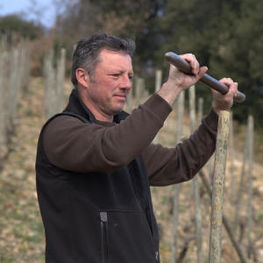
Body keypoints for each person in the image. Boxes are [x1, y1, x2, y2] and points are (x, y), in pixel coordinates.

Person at [35, 32, 238, 263]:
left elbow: (180, 164)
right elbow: (113, 151)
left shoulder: (126, 138)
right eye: (115, 75)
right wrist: (172, 87)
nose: (126, 84)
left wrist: (217, 113)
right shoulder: (61, 132)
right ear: (83, 76)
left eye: (130, 76)